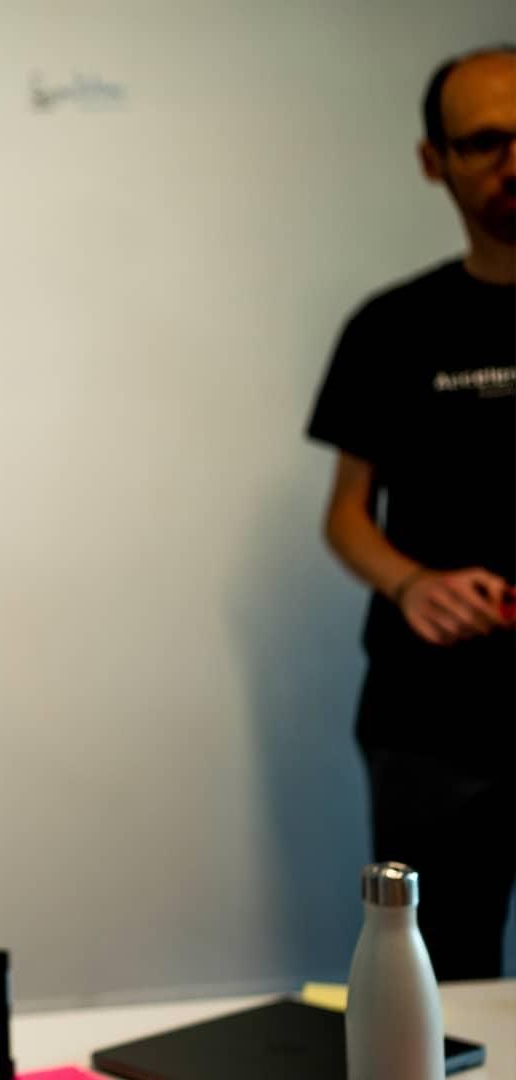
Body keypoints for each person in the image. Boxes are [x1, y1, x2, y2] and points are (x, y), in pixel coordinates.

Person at [307, 45, 516, 981]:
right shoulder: (392, 328)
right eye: (486, 142)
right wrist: (412, 583)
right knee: (442, 983)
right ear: (436, 161)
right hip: (431, 720)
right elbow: (347, 514)